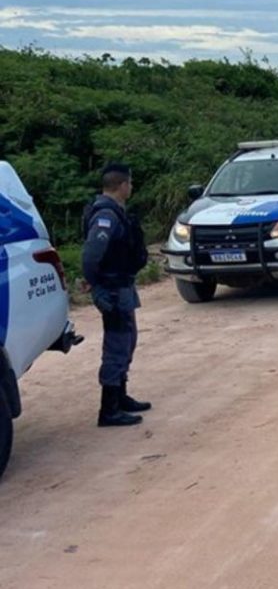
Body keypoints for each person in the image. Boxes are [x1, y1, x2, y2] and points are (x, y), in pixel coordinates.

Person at [81, 163, 150, 427]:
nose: (131, 187)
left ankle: (120, 397)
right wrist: (96, 286)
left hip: (121, 286)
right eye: (129, 183)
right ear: (122, 185)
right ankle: (108, 410)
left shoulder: (114, 212)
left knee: (127, 340)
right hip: (112, 289)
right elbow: (91, 255)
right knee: (117, 345)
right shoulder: (106, 216)